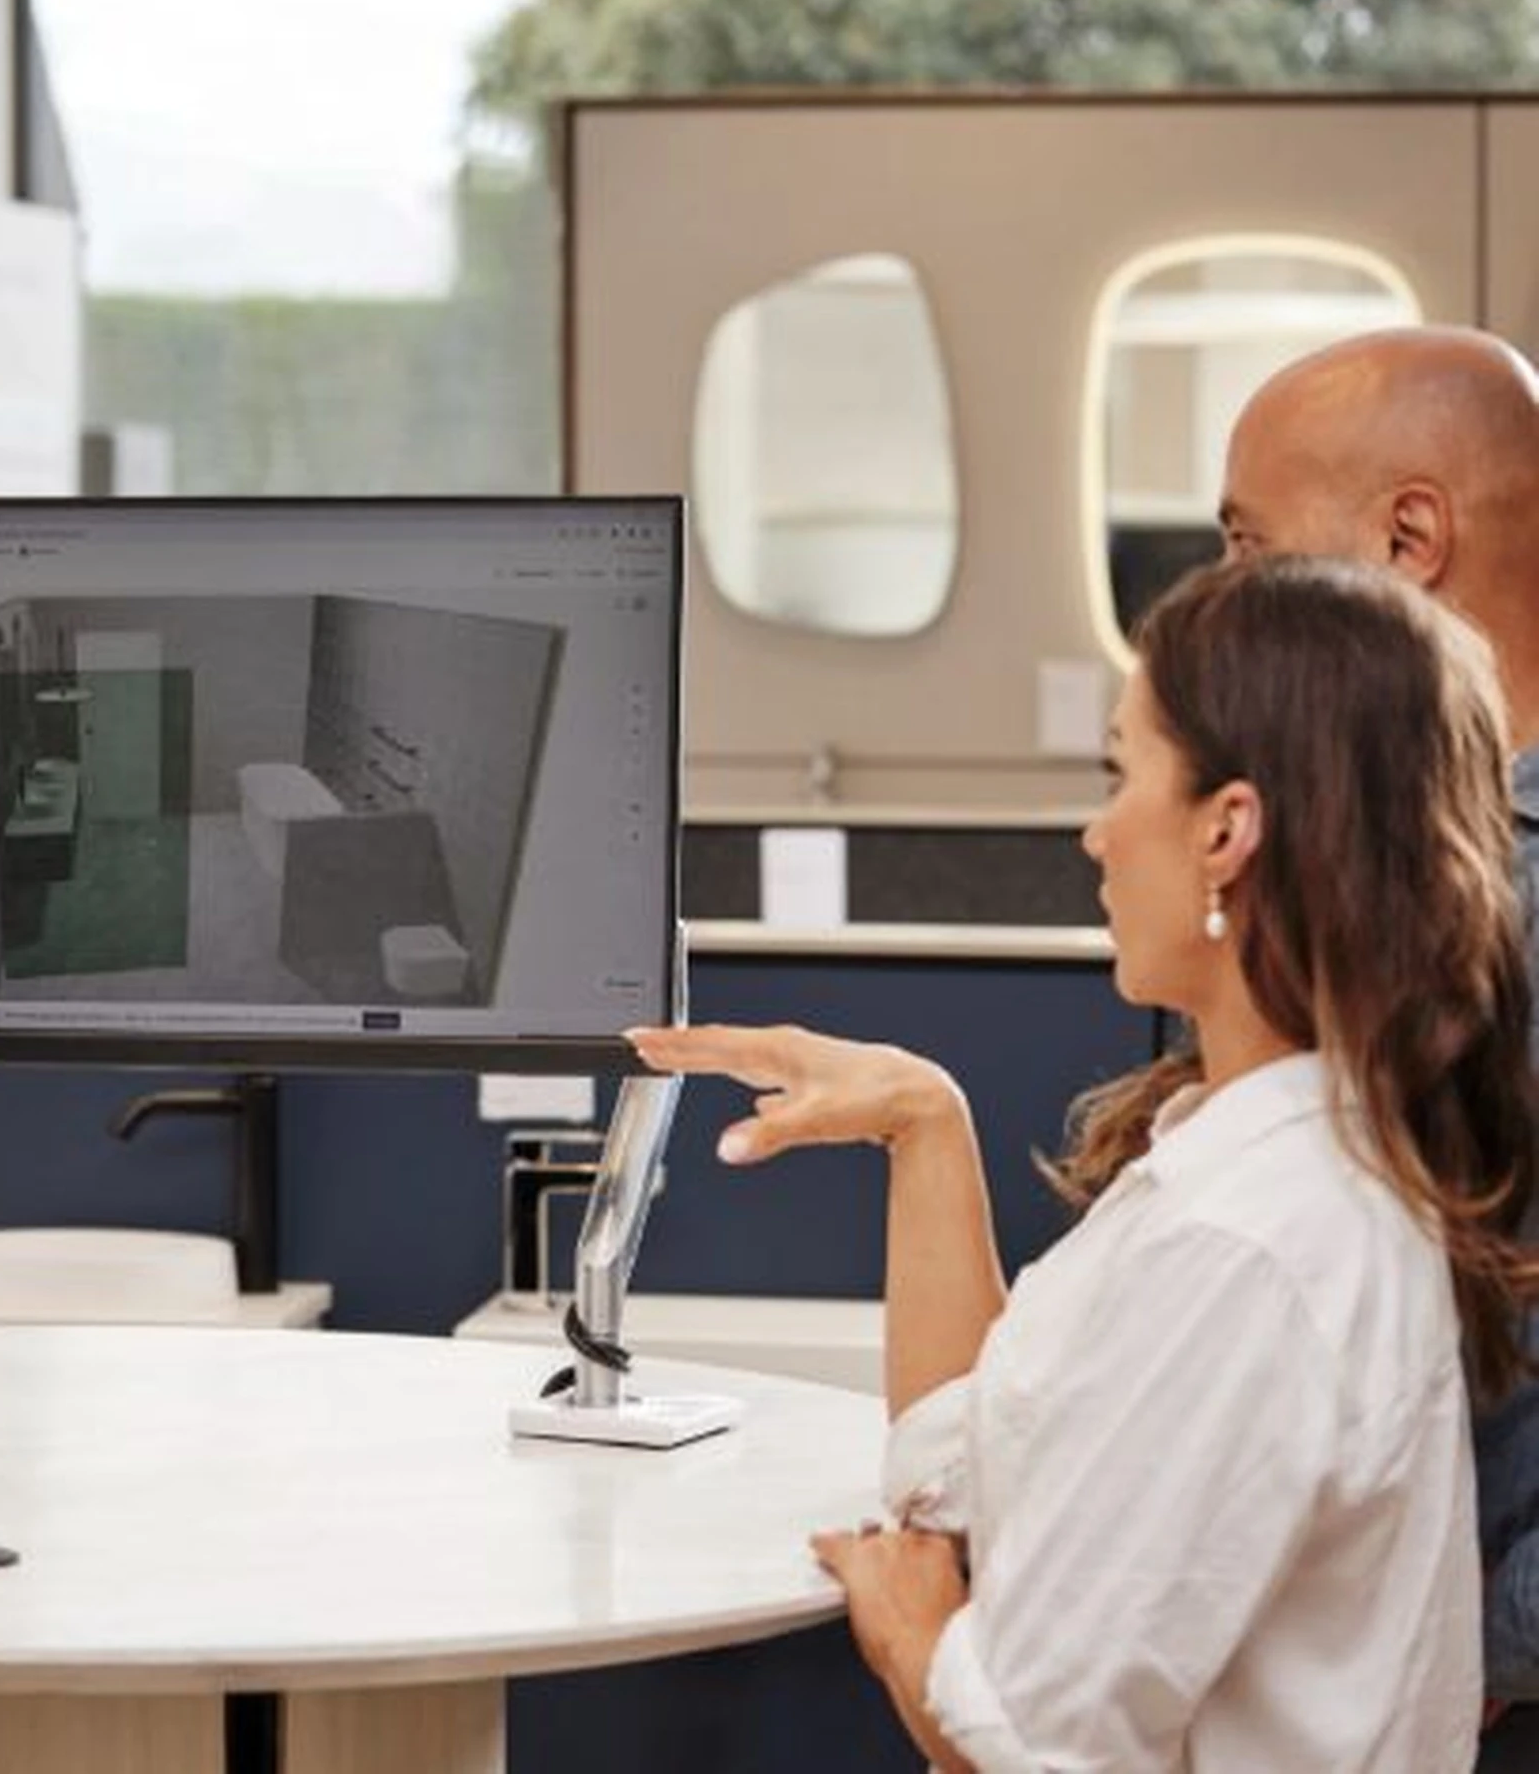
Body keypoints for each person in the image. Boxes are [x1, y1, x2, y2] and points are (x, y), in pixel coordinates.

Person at [636, 554, 1533, 1771]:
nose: (1095, 830)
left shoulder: (1247, 1244)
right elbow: (967, 1457)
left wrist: (914, 1626)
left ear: (1226, 828)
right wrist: (921, 1120)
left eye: (1122, 774)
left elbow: (1037, 1746)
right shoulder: (1268, 1163)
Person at [1217, 326, 1539, 1743]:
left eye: (1248, 548)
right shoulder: (1403, 870)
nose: (1222, 604)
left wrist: (1465, 1647)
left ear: (1409, 537)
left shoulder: (1509, 902)